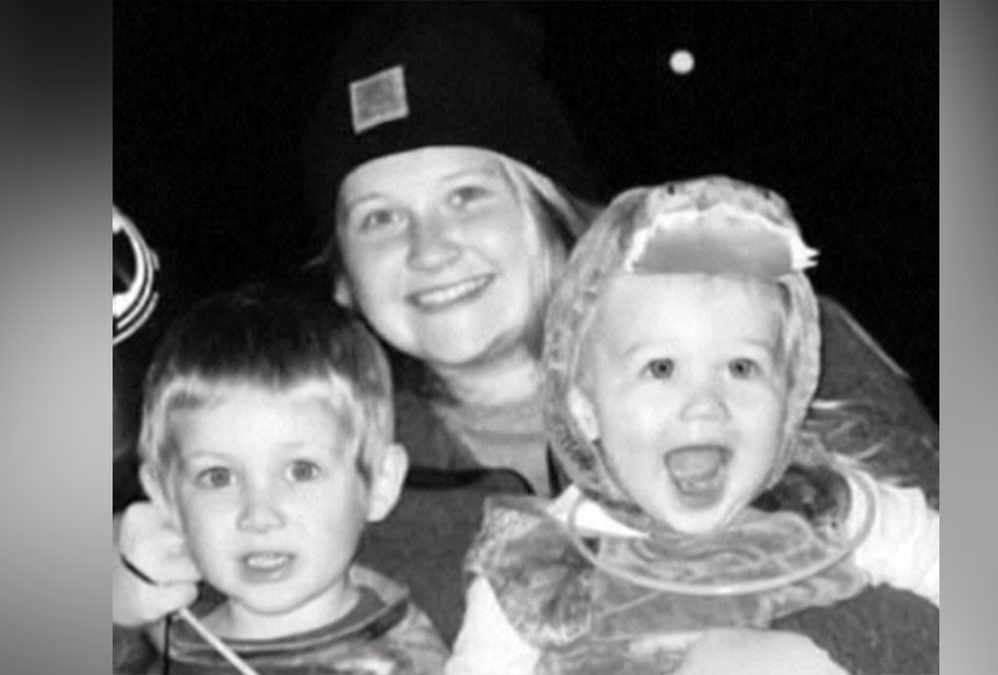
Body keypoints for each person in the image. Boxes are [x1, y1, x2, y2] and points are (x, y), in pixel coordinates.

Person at [118, 4, 940, 663]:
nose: (429, 247)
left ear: (551, 205)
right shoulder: (330, 457)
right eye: (378, 217)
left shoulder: (768, 348)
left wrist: (817, 650)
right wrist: (121, 608)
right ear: (341, 273)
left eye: (468, 195)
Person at [446, 176, 939, 675]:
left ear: (789, 397)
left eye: (741, 368)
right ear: (584, 409)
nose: (704, 405)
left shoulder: (830, 507)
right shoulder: (540, 564)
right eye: (660, 368)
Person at [118, 285, 447, 674]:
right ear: (164, 496)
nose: (259, 516)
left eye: (302, 471)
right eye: (218, 477)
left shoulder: (406, 659)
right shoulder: (140, 647)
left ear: (380, 482)